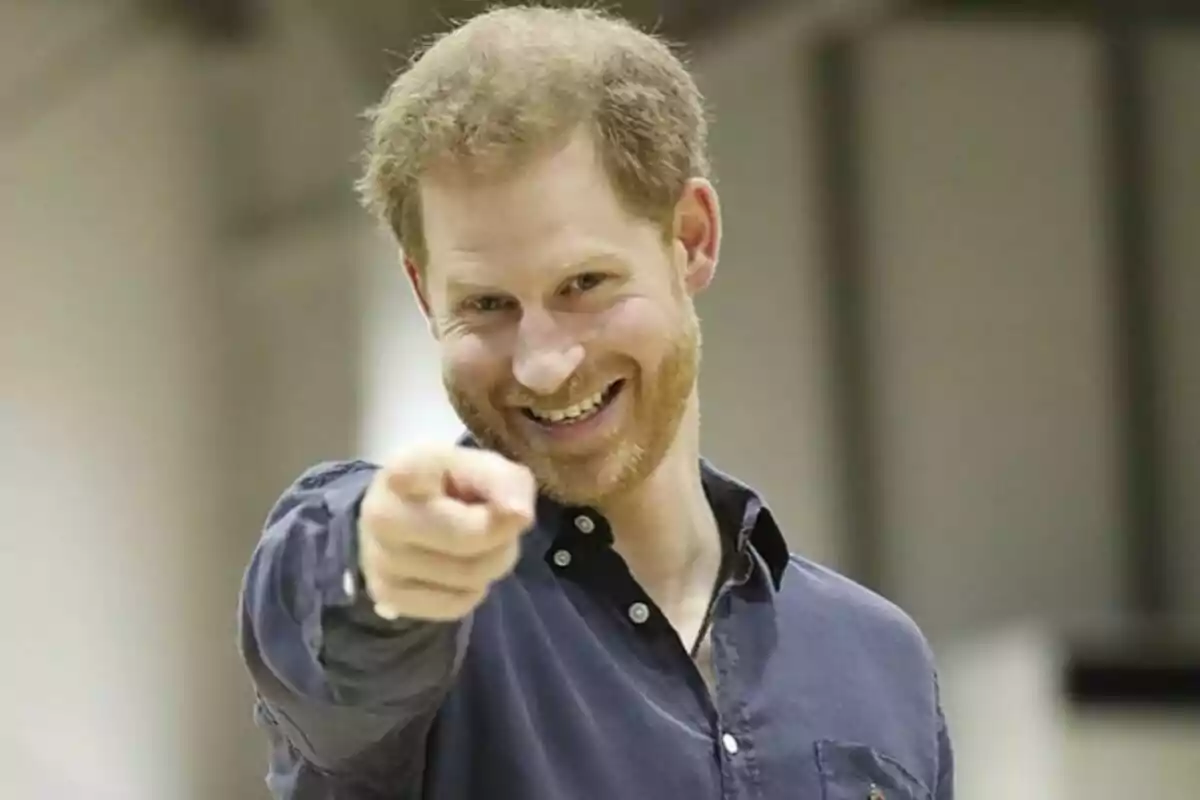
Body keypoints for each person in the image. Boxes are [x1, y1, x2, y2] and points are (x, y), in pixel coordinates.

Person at [238, 6, 954, 799]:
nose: (544, 365)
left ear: (690, 237)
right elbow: (327, 618)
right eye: (486, 305)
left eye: (584, 285)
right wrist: (381, 566)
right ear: (422, 289)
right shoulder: (422, 611)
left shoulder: (880, 660)